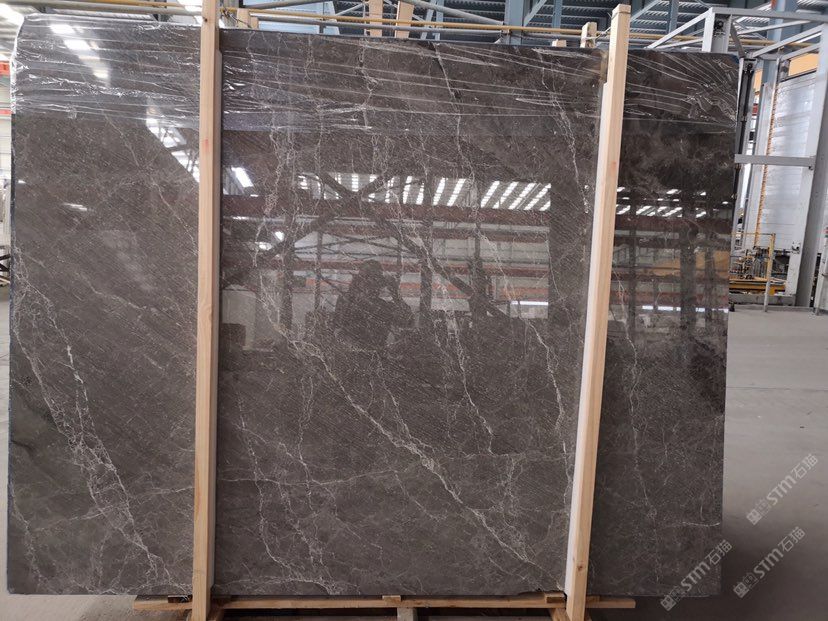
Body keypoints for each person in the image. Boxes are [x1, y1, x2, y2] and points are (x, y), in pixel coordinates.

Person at [334, 260, 413, 350]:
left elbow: (408, 322)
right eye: (366, 278)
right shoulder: (347, 299)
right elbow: (337, 330)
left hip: (374, 354)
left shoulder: (385, 306)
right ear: (359, 281)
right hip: (350, 352)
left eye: (376, 280)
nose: (371, 284)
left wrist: (395, 293)